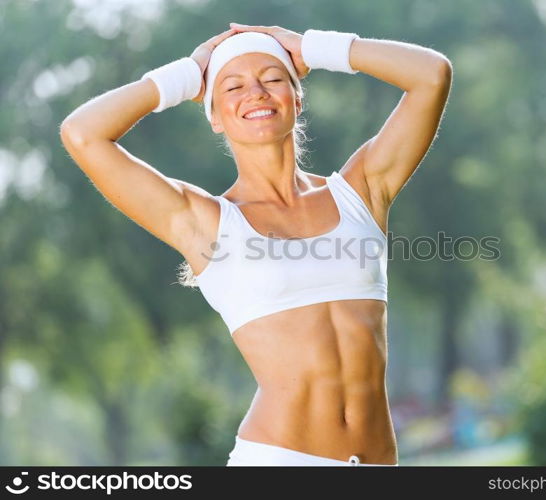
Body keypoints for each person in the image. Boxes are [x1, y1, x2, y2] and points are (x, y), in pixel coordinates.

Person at [60, 22, 452, 466]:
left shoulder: (360, 191)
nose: (256, 93)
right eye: (233, 86)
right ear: (213, 114)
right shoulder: (204, 222)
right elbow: (82, 134)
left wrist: (314, 48)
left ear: (297, 96)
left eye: (272, 79)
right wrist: (187, 74)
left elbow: (432, 75)